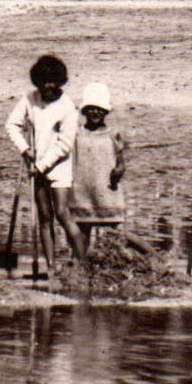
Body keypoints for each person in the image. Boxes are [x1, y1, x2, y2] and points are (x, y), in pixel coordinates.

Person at [6, 54, 86, 270]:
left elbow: (65, 145)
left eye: (52, 82)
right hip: (36, 166)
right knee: (43, 216)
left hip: (59, 166)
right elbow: (11, 125)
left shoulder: (68, 107)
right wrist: (24, 149)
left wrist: (41, 167)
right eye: (43, 82)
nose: (48, 86)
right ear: (37, 81)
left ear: (60, 82)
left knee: (61, 213)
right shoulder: (30, 99)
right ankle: (51, 267)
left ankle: (82, 264)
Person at [69, 83, 154, 255]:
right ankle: (81, 271)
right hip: (83, 194)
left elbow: (121, 163)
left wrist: (119, 171)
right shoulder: (76, 133)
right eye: (91, 108)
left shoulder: (112, 134)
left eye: (100, 109)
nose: (95, 112)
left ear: (106, 111)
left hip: (108, 193)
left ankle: (156, 258)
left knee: (120, 234)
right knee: (81, 237)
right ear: (84, 111)